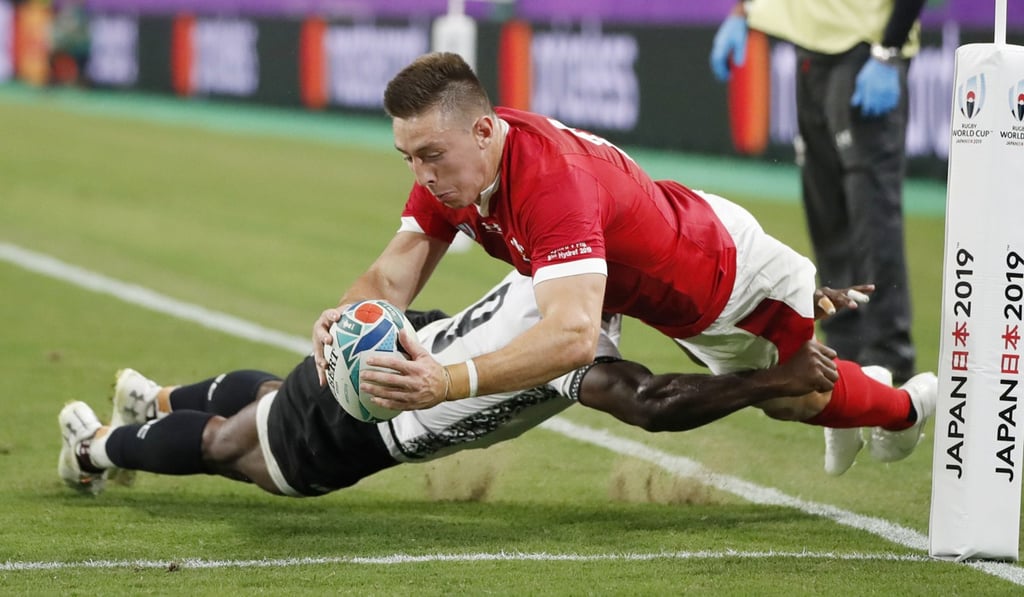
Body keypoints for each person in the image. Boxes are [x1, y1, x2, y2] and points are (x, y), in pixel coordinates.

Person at [309, 52, 935, 476]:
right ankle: (861, 389)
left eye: (430, 155)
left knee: (789, 398)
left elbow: (573, 337)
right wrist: (344, 315)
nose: (421, 175)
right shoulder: (460, 169)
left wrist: (445, 382)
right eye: (408, 158)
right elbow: (392, 273)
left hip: (727, 284)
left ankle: (906, 411)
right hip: (656, 263)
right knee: (790, 384)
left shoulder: (550, 187)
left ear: (482, 131)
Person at [57, 271, 848, 496]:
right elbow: (650, 403)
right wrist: (768, 381)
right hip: (387, 413)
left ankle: (152, 401)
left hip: (414, 338)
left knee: (272, 399)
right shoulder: (580, 351)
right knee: (239, 446)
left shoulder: (563, 255)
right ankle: (94, 449)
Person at [709, 0, 927, 469]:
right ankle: (846, 364)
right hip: (812, 49)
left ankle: (891, 361)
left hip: (864, 50)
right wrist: (743, 13)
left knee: (871, 216)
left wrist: (888, 50)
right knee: (826, 214)